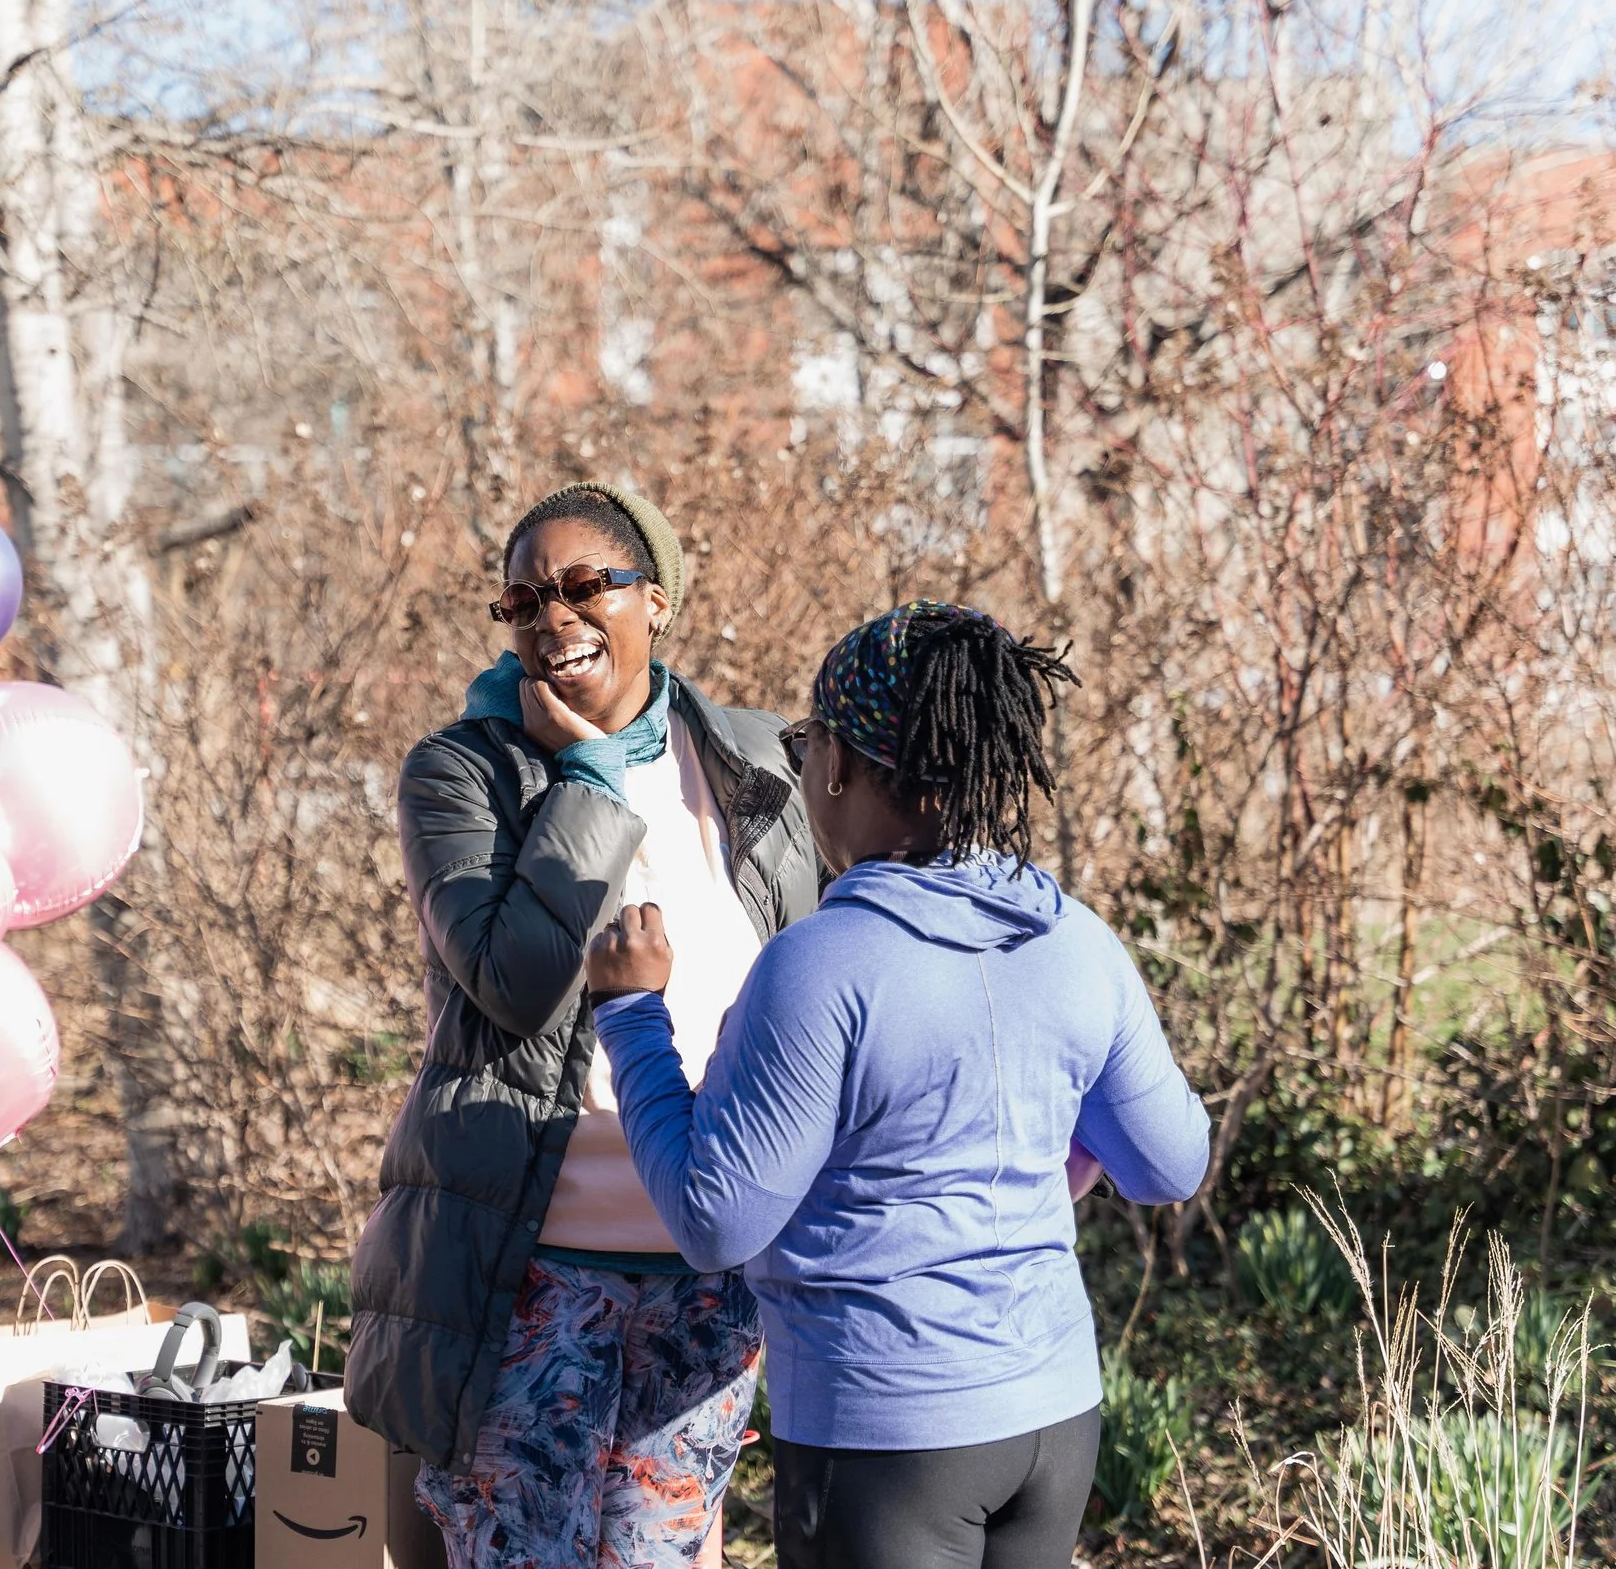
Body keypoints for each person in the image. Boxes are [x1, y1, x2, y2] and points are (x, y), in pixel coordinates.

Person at [584, 601, 1213, 1569]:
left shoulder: (819, 966)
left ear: (835, 762)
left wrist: (631, 1018)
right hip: (1051, 1417)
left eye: (805, 746)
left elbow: (714, 1217)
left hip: (884, 1429)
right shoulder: (1077, 940)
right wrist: (1041, 1154)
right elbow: (1170, 1163)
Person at [347, 482, 820, 1566]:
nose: (550, 618)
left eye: (581, 586)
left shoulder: (758, 763)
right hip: (534, 1261)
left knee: (661, 1552)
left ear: (652, 600)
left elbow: (817, 972)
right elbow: (511, 979)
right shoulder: (462, 771)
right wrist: (592, 782)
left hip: (712, 1267)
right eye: (522, 600)